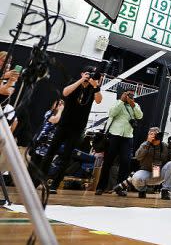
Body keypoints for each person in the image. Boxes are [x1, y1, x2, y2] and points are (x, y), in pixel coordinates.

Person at [36, 65, 102, 193]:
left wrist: (95, 85)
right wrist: (81, 80)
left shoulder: (93, 89)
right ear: (82, 73)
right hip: (64, 124)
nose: (90, 76)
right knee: (51, 152)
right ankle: (38, 180)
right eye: (88, 73)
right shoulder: (74, 83)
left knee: (66, 157)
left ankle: (55, 184)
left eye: (92, 74)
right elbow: (65, 92)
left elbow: (99, 100)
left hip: (78, 128)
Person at [96, 89, 143, 195]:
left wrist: (133, 105)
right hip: (114, 135)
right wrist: (122, 101)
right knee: (108, 162)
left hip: (127, 137)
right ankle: (100, 187)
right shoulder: (118, 103)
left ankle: (120, 188)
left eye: (132, 94)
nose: (130, 96)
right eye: (128, 94)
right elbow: (112, 113)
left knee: (126, 163)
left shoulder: (135, 105)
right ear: (124, 94)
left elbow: (140, 116)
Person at [112, 127, 171, 200]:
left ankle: (165, 191)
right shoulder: (145, 145)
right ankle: (142, 190)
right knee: (137, 178)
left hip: (159, 173)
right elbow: (138, 157)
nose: (154, 135)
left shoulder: (165, 146)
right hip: (147, 172)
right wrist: (148, 143)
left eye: (156, 134)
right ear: (148, 136)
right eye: (151, 134)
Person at [29, 99, 64, 167]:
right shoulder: (49, 112)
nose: (59, 106)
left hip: (50, 145)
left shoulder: (61, 116)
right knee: (34, 163)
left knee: (42, 165)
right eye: (58, 104)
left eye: (61, 105)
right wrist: (60, 110)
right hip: (41, 143)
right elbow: (54, 120)